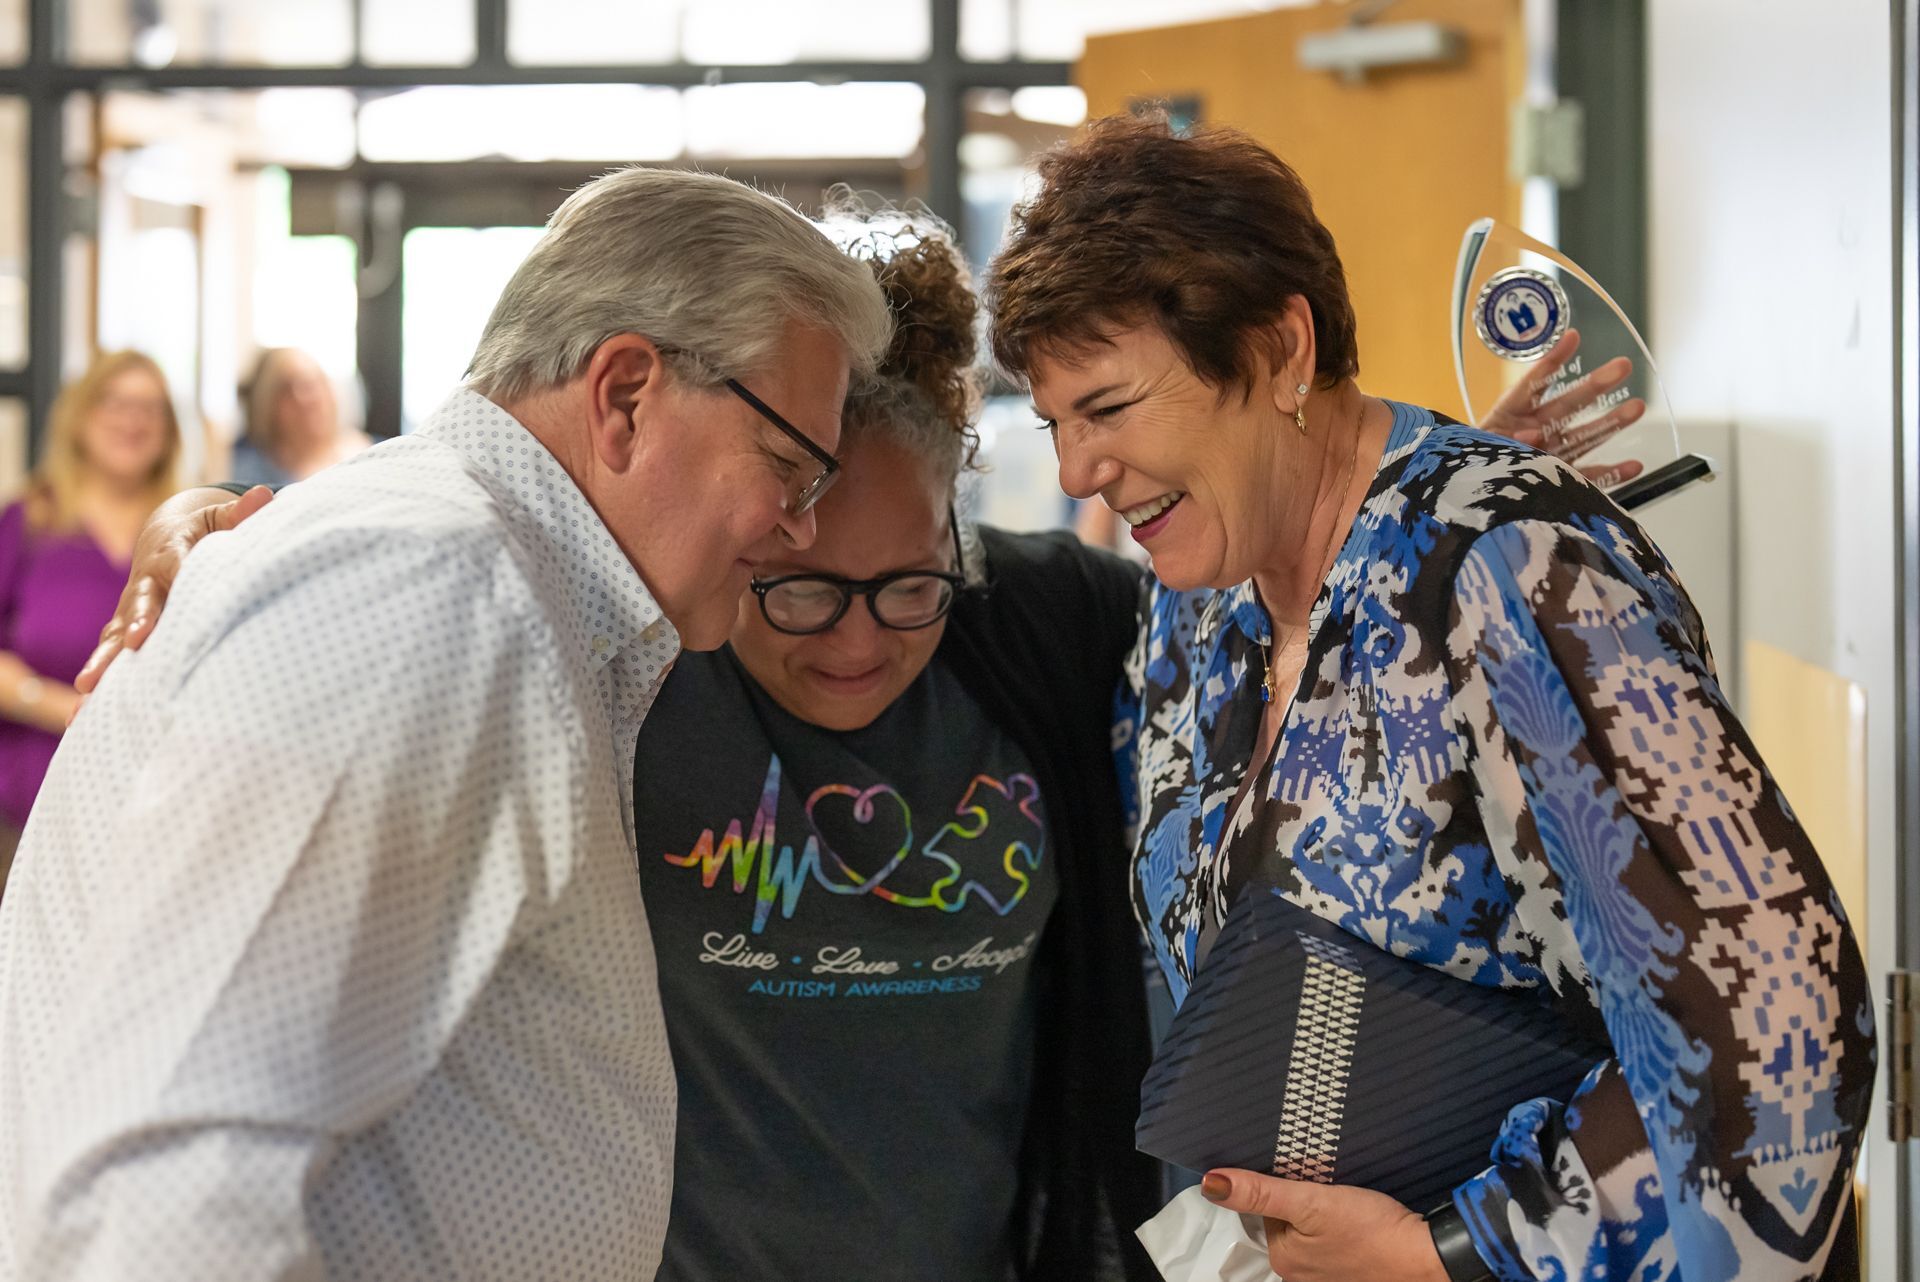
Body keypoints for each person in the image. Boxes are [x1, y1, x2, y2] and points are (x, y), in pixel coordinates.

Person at [986, 114, 1873, 1282]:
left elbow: (1779, 1033)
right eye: (1054, 423)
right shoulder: (1197, 611)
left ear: (1277, 349)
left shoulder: (1508, 570)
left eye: (1106, 407)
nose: (1073, 472)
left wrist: (1459, 1254)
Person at [0, 165, 892, 1281]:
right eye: (790, 468)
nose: (801, 531)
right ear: (624, 394)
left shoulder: (509, 585)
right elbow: (166, 1197)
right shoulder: (437, 583)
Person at [0, 351, 179, 890]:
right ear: (80, 418)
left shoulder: (189, 530)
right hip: (30, 800)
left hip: (156, 803)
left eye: (151, 408)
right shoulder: (28, 522)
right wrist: (69, 712)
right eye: (116, 403)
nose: (133, 420)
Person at [229, 347, 370, 486]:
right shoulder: (250, 478)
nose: (303, 399)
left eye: (312, 385)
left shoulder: (370, 453)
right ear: (267, 404)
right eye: (286, 390)